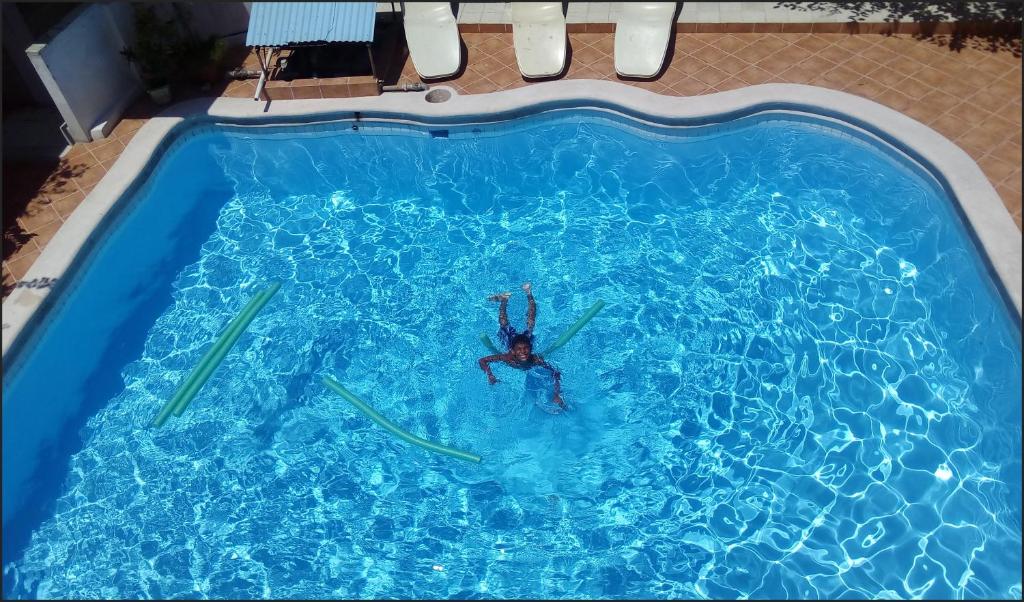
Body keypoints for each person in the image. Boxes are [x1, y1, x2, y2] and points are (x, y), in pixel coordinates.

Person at [478, 282, 566, 410]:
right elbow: (482, 360)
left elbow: (555, 373)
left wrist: (557, 393)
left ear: (530, 349)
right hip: (510, 340)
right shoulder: (507, 357)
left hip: (524, 340)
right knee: (504, 323)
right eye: (519, 350)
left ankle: (529, 294)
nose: (523, 352)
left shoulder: (535, 359)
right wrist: (489, 374)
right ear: (512, 351)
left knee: (531, 324)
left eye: (526, 349)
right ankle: (504, 300)